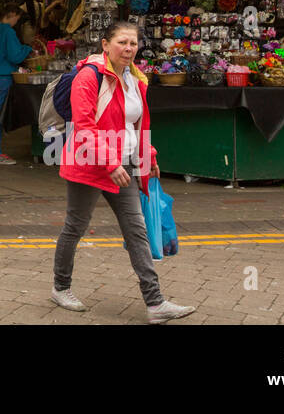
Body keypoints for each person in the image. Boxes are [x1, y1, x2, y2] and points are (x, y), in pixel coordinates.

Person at [51, 20, 195, 323]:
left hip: (124, 163)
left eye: (133, 43)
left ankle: (155, 303)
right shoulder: (89, 77)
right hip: (89, 163)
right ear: (105, 45)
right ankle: (61, 287)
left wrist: (148, 155)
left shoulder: (135, 79)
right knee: (75, 226)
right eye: (122, 42)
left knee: (136, 229)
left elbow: (136, 124)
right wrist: (111, 163)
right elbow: (83, 128)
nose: (128, 48)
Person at [0, 4, 33, 165]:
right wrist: (27, 48)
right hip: (3, 76)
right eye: (16, 20)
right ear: (11, 14)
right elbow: (15, 56)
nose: (15, 24)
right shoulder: (8, 31)